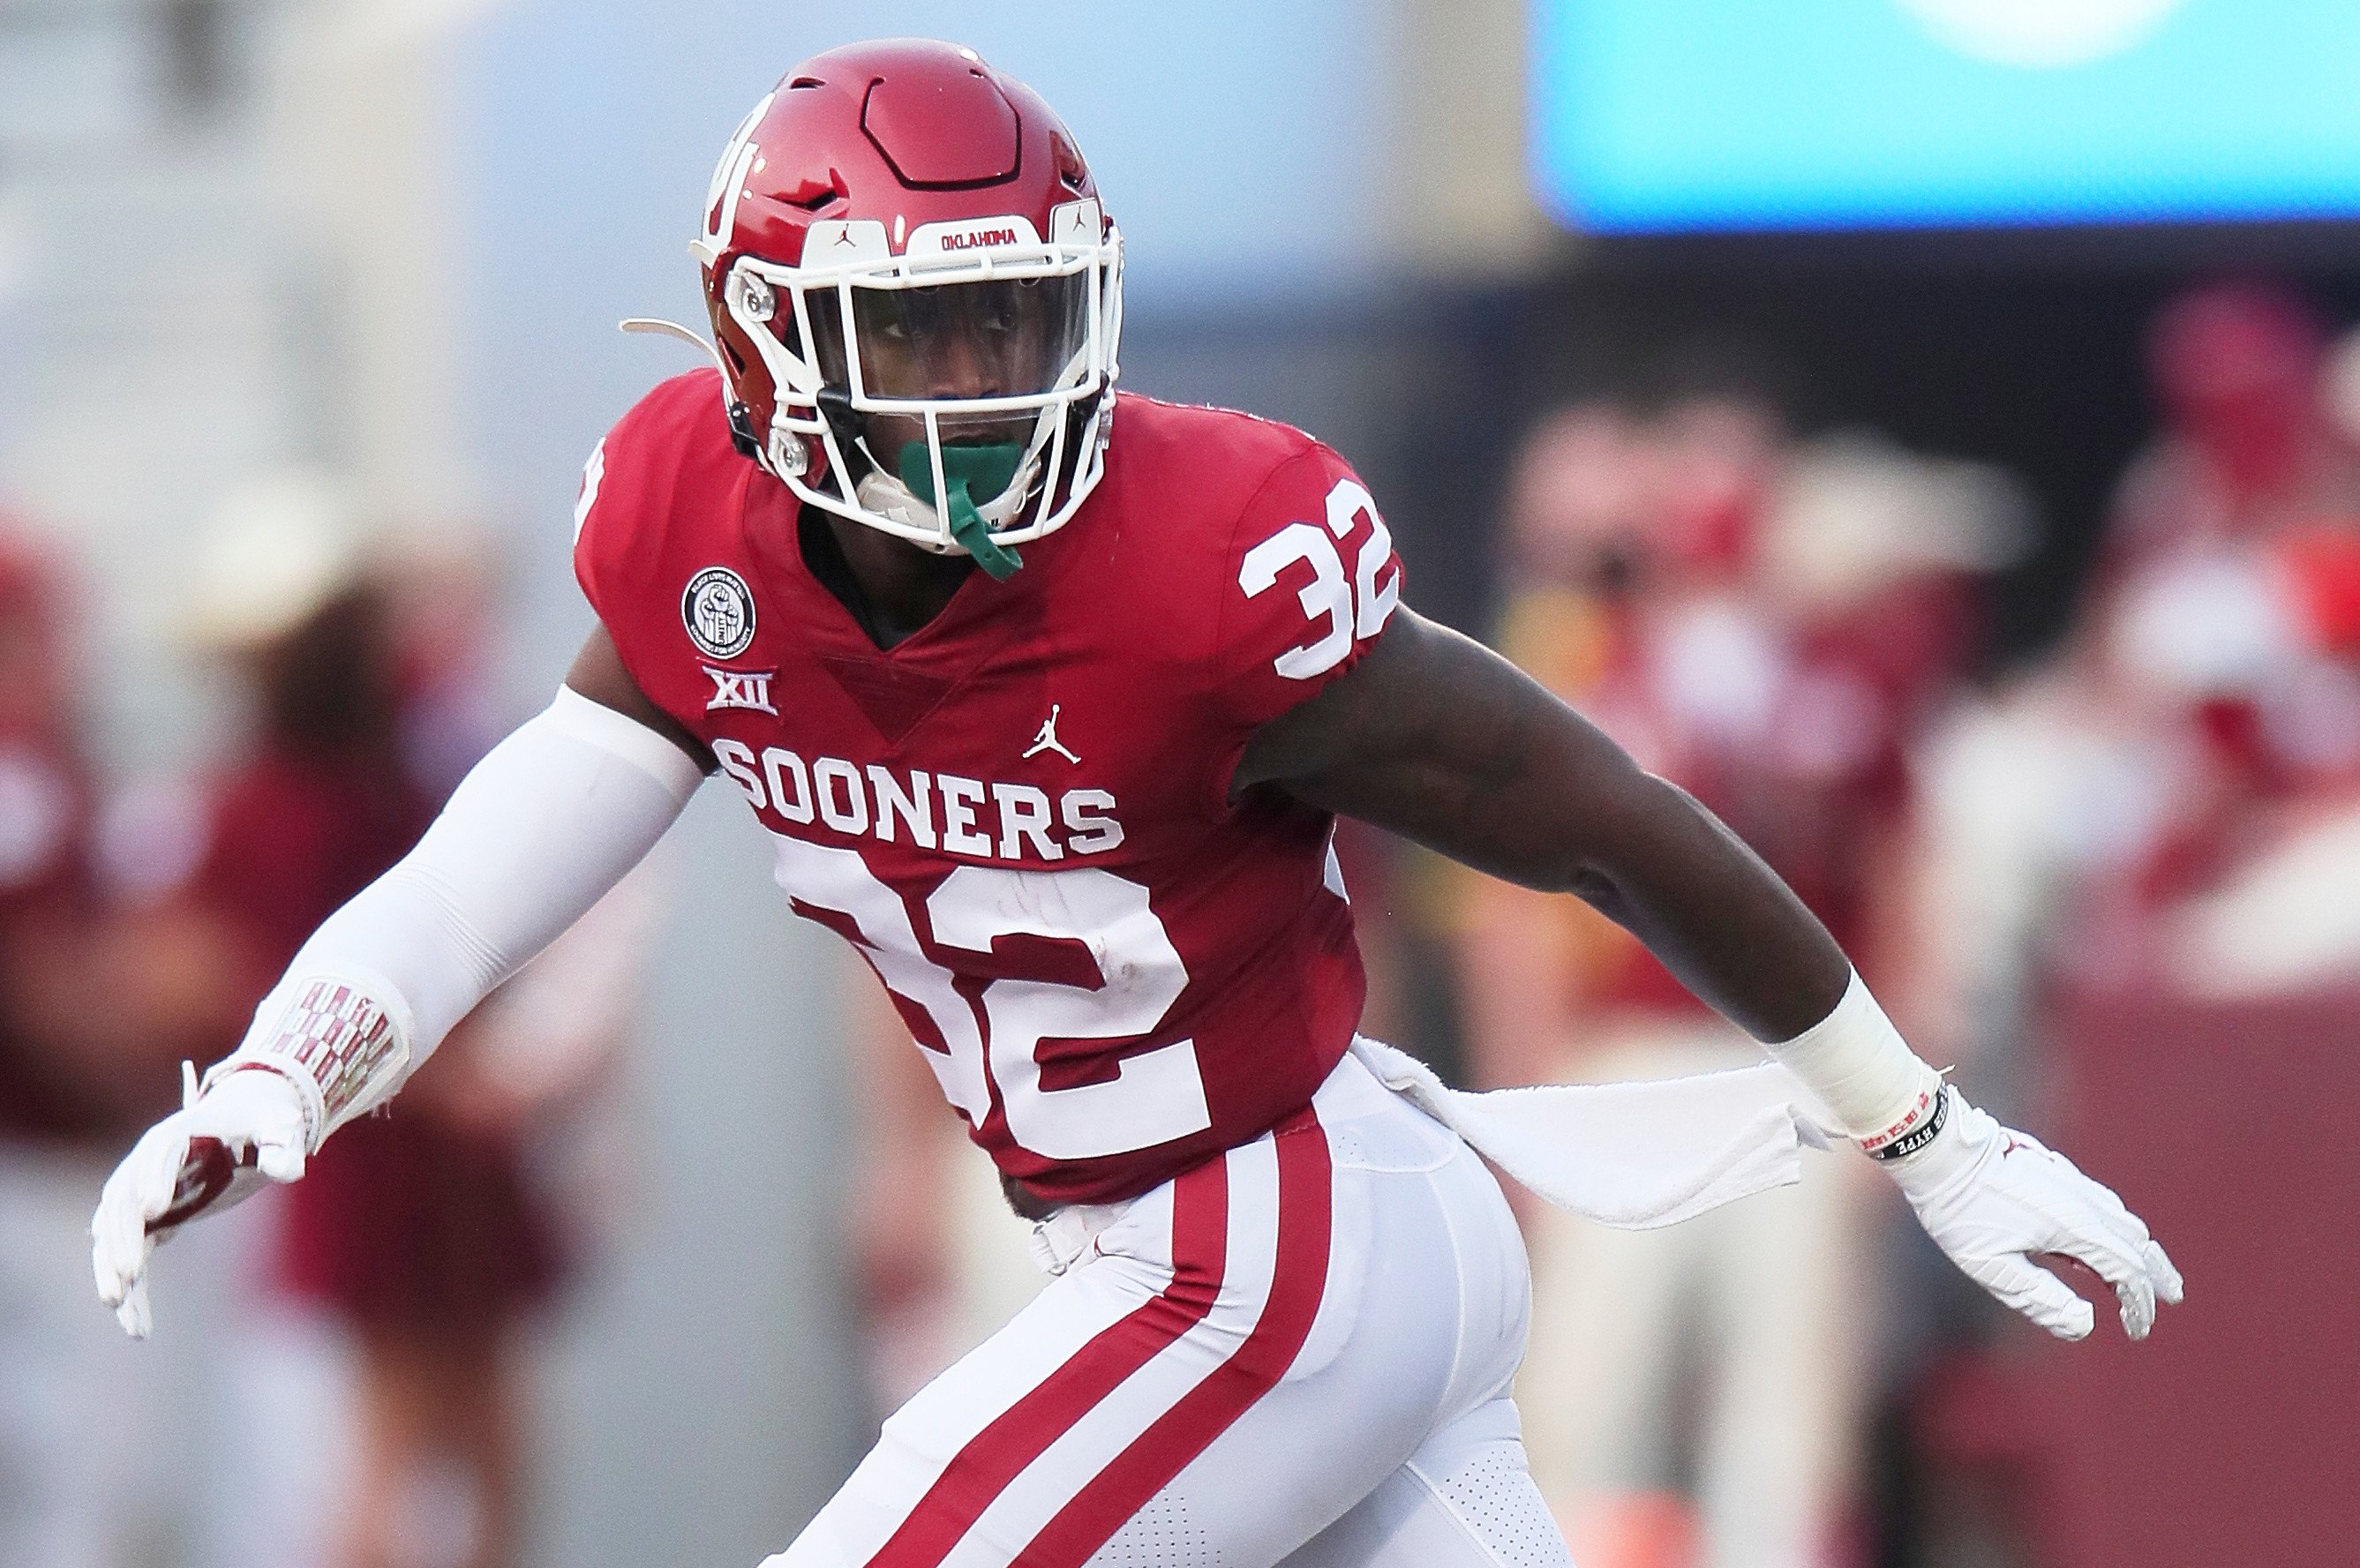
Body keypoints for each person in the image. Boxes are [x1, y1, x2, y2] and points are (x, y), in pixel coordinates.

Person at [92, 40, 2180, 1568]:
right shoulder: (693, 540)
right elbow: (502, 853)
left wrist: (1920, 1122)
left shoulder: (1199, 567)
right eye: (924, 332)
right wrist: (292, 1066)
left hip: (1263, 1244)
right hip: (1212, 1237)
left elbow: (1593, 814)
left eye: (1020, 314)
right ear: (759, 336)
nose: (991, 384)